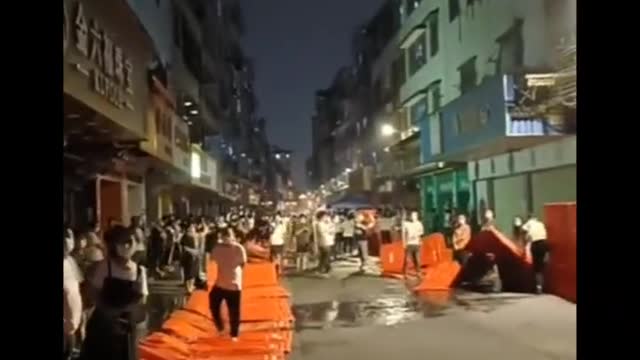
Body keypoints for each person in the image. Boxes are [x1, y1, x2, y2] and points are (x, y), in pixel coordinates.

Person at [80, 225, 148, 360]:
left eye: (130, 242)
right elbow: (92, 293)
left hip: (126, 328)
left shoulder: (139, 271)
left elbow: (142, 298)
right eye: (124, 243)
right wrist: (110, 310)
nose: (128, 246)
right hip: (103, 327)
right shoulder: (103, 267)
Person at [209, 227, 247, 342]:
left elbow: (242, 263)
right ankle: (221, 327)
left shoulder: (238, 248)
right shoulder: (218, 248)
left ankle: (234, 334)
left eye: (228, 236)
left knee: (234, 310)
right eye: (225, 236)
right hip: (221, 283)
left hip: (233, 284)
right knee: (214, 304)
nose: (227, 239)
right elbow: (242, 263)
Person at [64, 229, 84, 359]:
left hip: (74, 305)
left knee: (72, 330)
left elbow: (79, 281)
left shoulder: (70, 260)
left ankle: (70, 353)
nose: (70, 242)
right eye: (67, 237)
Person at [522, 214, 549, 294]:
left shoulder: (529, 223)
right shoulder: (541, 223)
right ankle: (544, 285)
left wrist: (525, 240)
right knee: (542, 266)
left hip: (536, 244)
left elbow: (523, 230)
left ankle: (539, 287)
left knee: (537, 268)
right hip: (544, 244)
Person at [402, 210, 424, 278]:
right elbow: (404, 234)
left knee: (417, 259)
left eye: (415, 215)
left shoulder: (419, 224)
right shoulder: (406, 224)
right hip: (409, 243)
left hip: (416, 243)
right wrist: (404, 243)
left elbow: (420, 234)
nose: (413, 217)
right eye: (412, 215)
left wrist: (420, 241)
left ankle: (418, 272)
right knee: (407, 259)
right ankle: (405, 272)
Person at [181, 223, 200, 294]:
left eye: (193, 227)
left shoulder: (196, 236)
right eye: (190, 227)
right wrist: (193, 251)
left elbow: (198, 246)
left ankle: (191, 286)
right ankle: (188, 288)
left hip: (195, 256)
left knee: (194, 272)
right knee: (188, 272)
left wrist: (197, 252)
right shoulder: (185, 236)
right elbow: (184, 247)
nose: (192, 228)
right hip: (188, 256)